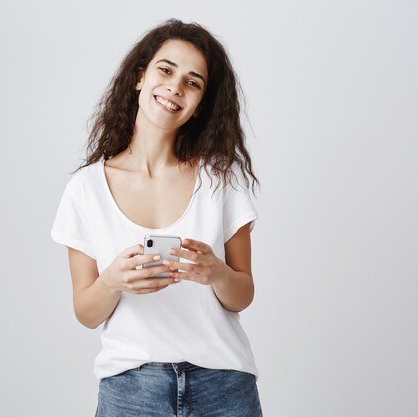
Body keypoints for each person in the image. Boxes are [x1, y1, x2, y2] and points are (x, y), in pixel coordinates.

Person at [51, 18, 263, 417]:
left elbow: (243, 294)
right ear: (139, 77)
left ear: (200, 104)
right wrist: (113, 280)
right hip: (131, 390)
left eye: (193, 82)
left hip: (224, 387)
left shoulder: (220, 179)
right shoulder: (86, 189)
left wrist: (215, 272)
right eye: (165, 70)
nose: (175, 88)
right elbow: (86, 311)